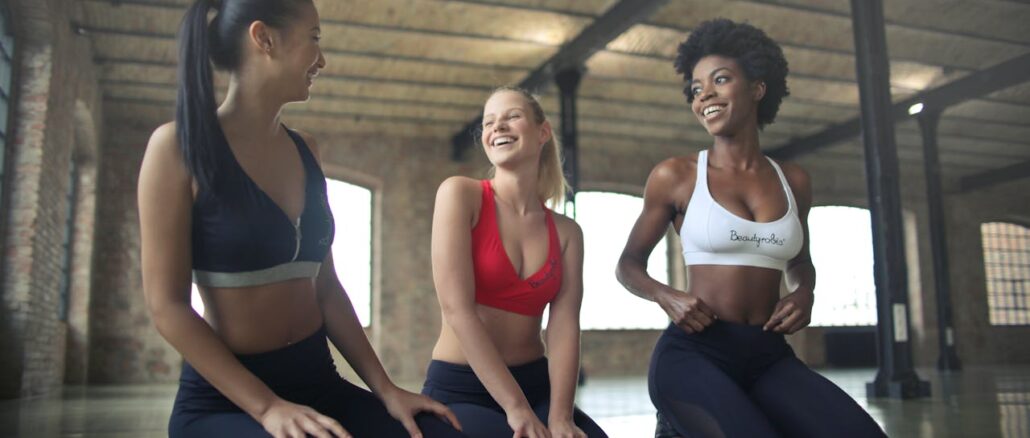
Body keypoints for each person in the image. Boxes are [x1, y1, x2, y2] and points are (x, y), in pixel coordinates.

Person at [137, 1, 467, 437]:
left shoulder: (306, 151)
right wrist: (268, 407)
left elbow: (326, 288)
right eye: (314, 38)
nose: (322, 59)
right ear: (264, 38)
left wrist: (386, 389)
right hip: (229, 402)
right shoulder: (176, 148)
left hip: (320, 384)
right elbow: (168, 307)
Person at [615, 19, 886, 438]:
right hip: (693, 354)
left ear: (758, 88)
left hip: (769, 356)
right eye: (696, 87)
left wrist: (804, 292)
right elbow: (628, 264)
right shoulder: (677, 175)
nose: (704, 93)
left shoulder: (793, 180)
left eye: (720, 80)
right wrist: (666, 295)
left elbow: (800, 261)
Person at [421, 86, 607, 438]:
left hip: (536, 386)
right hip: (462, 391)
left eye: (512, 117)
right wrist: (515, 408)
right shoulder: (461, 194)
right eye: (489, 122)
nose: (498, 127)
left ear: (542, 132)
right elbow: (457, 309)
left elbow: (564, 326)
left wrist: (561, 416)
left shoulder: (567, 232)